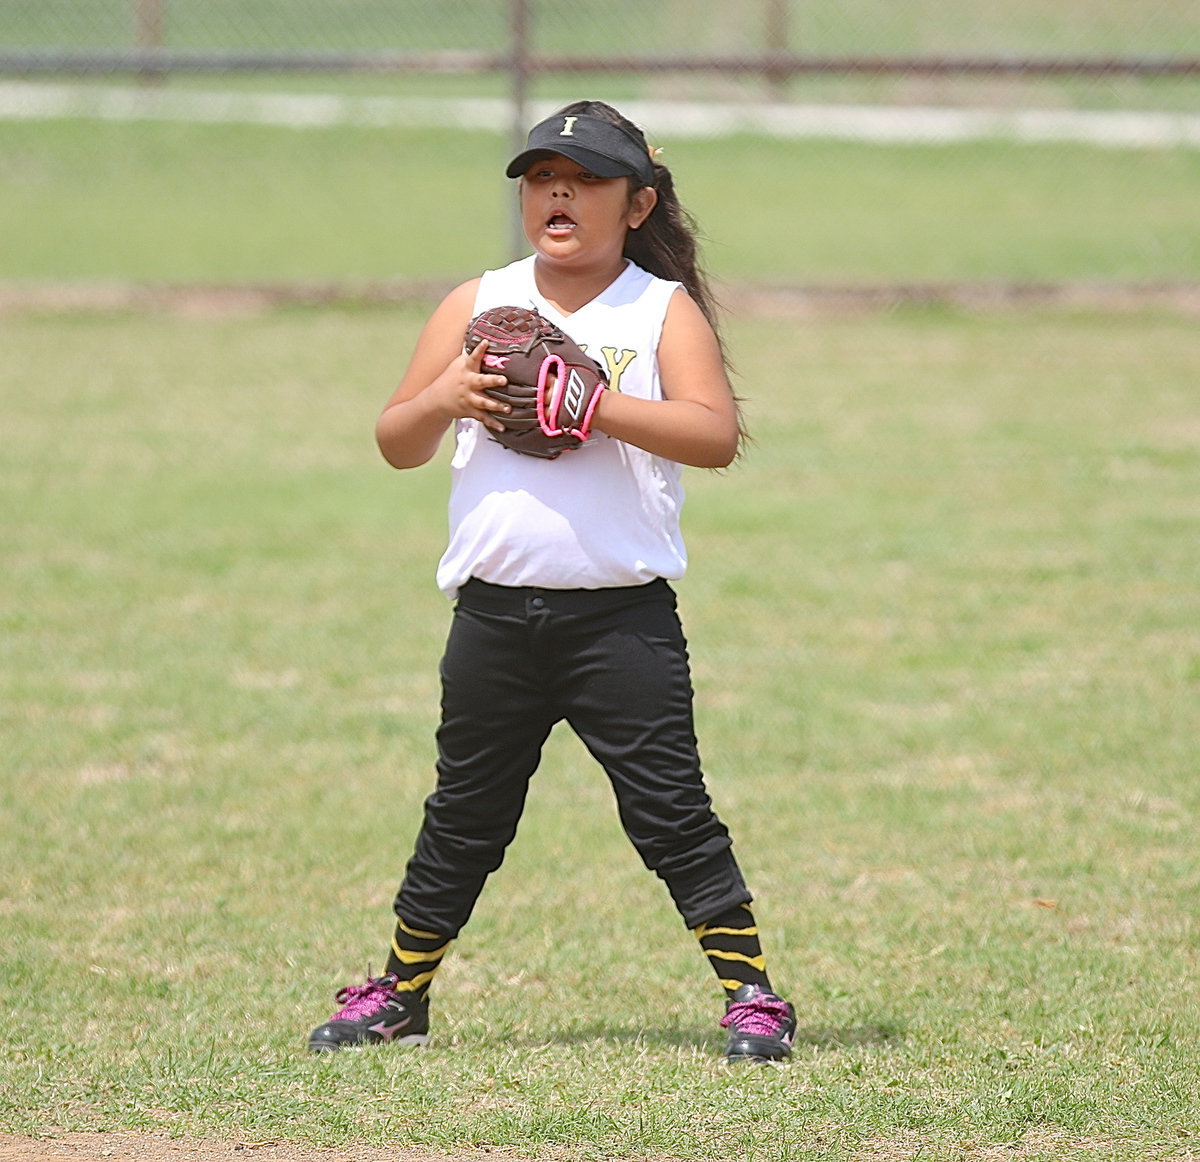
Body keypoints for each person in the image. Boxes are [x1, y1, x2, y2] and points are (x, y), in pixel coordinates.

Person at [307, 100, 795, 1064]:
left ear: (639, 204)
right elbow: (396, 441)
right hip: (492, 617)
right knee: (464, 816)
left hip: (621, 623)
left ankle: (754, 996)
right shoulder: (479, 303)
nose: (557, 191)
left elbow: (715, 434)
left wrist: (601, 405)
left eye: (586, 179)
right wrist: (444, 397)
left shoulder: (658, 309)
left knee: (671, 813)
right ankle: (401, 994)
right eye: (539, 176)